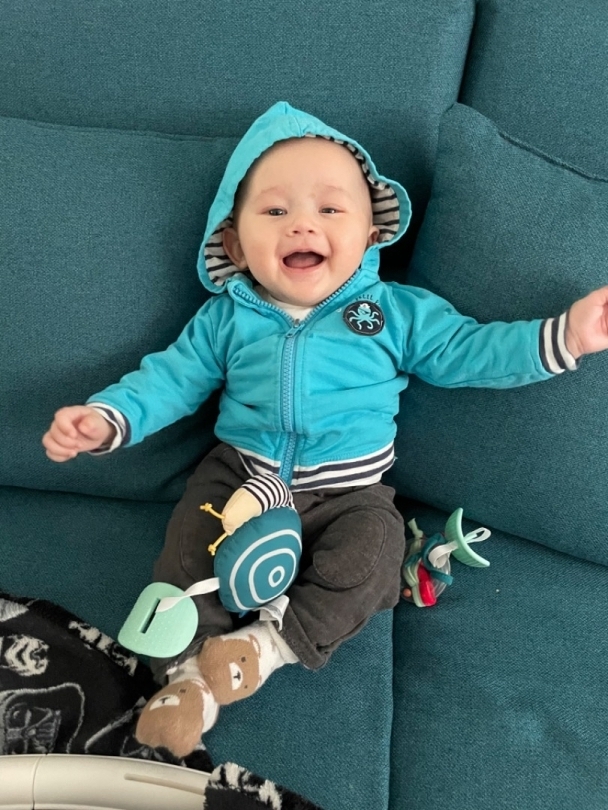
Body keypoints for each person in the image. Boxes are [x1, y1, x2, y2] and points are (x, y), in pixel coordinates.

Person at [42, 101, 608, 757]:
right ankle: (188, 680)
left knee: (374, 555)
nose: (302, 223)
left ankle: (263, 648)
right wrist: (106, 418)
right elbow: (169, 379)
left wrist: (566, 336)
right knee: (187, 554)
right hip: (240, 480)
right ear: (234, 242)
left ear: (371, 234)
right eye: (275, 211)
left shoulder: (394, 313)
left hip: (349, 494)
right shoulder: (227, 319)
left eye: (331, 209)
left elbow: (471, 351)